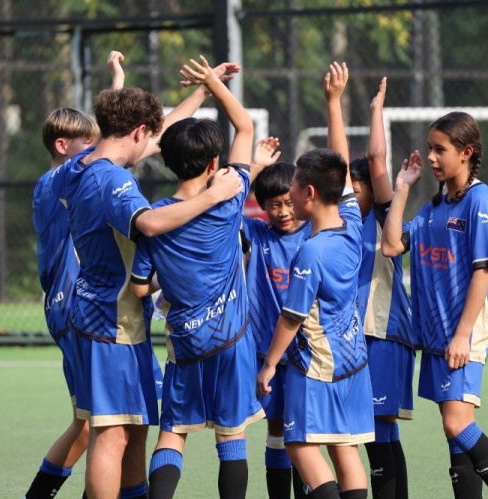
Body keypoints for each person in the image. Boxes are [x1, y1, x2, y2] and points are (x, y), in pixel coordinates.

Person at [50, 59, 245, 498]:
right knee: (112, 435)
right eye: (149, 136)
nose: (155, 144)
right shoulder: (113, 181)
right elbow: (151, 224)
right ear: (137, 132)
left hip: (111, 317)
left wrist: (203, 91)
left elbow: (162, 136)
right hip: (109, 321)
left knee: (136, 428)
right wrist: (214, 195)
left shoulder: (82, 164)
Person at [129, 55, 264, 499]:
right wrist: (212, 83)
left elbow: (139, 286)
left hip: (185, 343)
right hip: (231, 340)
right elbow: (245, 127)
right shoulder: (229, 196)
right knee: (232, 436)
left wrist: (167, 279)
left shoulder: (154, 218)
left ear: (168, 161)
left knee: (173, 434)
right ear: (213, 162)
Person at [381, 112, 488, 499]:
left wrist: (463, 335)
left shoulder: (480, 200)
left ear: (466, 152)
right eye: (430, 148)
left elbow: (484, 271)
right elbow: (391, 245)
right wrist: (401, 188)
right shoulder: (432, 210)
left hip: (463, 332)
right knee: (453, 432)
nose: (431, 157)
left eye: (440, 149)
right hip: (437, 336)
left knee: (458, 424)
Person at [257, 61, 374, 499]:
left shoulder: (310, 251)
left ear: (307, 194)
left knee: (299, 445)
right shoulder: (352, 224)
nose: (287, 198)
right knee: (345, 448)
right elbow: (339, 165)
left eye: (292, 191)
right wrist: (333, 103)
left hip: (318, 365)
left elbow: (291, 317)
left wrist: (269, 364)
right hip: (354, 362)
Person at [25, 106, 98, 499]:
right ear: (62, 145)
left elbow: (127, 139)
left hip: (71, 308)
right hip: (70, 308)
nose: (94, 147)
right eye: (87, 142)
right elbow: (119, 142)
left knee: (86, 425)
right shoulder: (57, 180)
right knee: (105, 424)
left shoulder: (68, 178)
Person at [351, 77, 415, 499]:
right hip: (364, 337)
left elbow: (376, 158)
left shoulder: (384, 217)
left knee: (377, 436)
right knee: (382, 434)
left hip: (384, 334)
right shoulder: (342, 222)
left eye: (354, 186)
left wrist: (375, 111)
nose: (348, 192)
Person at [240, 139, 310, 499]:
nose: (283, 211)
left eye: (288, 202)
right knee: (277, 430)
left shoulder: (316, 235)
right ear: (262, 206)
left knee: (305, 434)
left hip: (308, 354)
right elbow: (223, 210)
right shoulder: (256, 234)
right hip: (266, 353)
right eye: (273, 204)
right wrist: (253, 168)